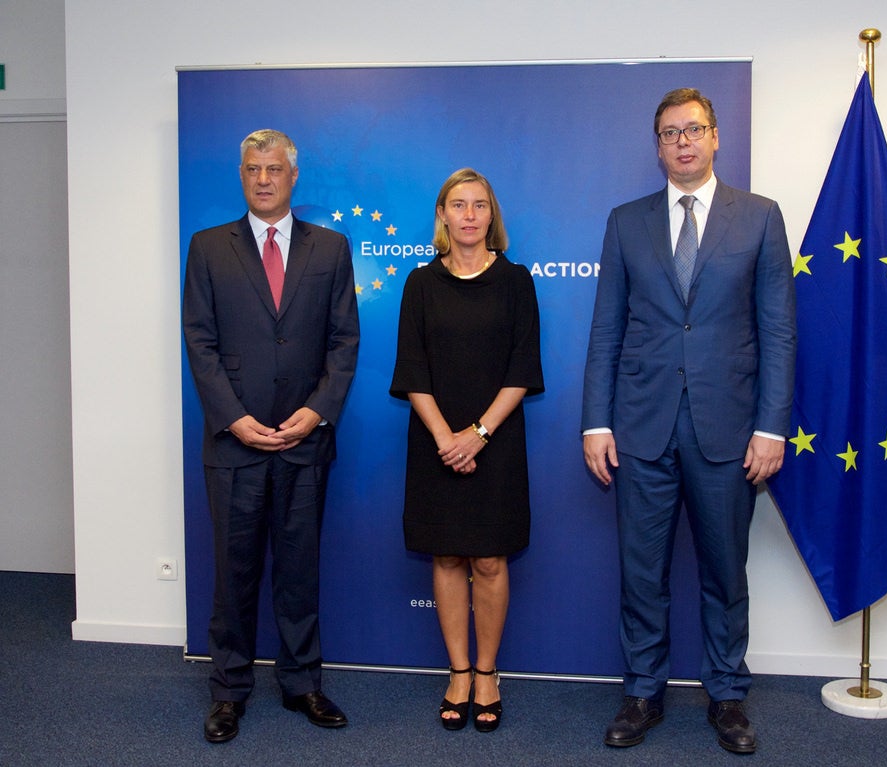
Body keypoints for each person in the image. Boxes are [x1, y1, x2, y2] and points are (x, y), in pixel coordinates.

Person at [581, 88, 796, 754]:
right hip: (640, 427)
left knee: (725, 570)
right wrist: (595, 422)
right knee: (641, 571)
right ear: (658, 145)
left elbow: (778, 330)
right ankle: (643, 691)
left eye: (693, 130)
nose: (683, 142)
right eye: (670, 133)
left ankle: (727, 693)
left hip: (729, 429)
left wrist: (772, 425)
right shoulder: (626, 221)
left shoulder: (759, 218)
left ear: (716, 137)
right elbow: (608, 327)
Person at [182, 128, 360, 743]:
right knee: (233, 574)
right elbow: (199, 342)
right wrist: (233, 417)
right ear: (241, 176)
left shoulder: (331, 248)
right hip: (234, 442)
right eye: (253, 168)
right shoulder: (208, 247)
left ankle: (302, 683)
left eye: (275, 168)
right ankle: (228, 691)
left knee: (299, 570)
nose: (263, 178)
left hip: (305, 440)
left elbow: (344, 341)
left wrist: (316, 412)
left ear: (293, 176)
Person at [390, 168, 544, 733]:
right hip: (434, 441)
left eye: (481, 204)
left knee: (489, 558)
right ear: (444, 216)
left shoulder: (516, 281)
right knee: (448, 556)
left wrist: (475, 435)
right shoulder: (420, 283)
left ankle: (487, 673)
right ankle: (457, 672)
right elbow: (412, 371)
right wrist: (445, 439)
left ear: (491, 215)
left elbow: (523, 369)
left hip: (496, 442)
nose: (471, 215)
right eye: (459, 204)